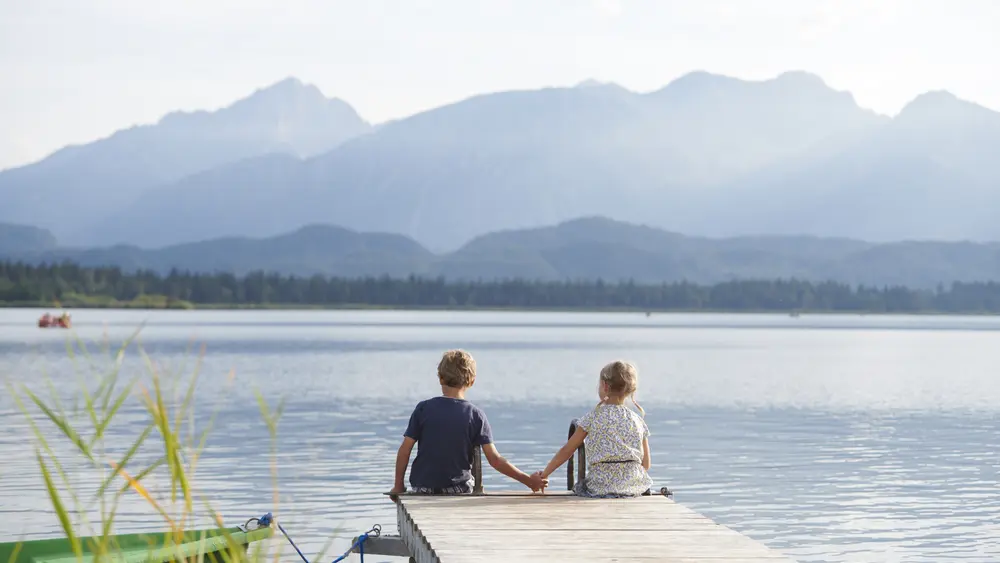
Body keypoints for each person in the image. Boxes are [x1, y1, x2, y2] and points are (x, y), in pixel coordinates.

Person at [390, 349, 547, 495]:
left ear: (440, 378)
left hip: (422, 488)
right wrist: (529, 481)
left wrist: (398, 486)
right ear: (471, 381)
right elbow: (495, 460)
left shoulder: (423, 409)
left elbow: (405, 450)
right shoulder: (475, 415)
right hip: (457, 489)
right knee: (470, 482)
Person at [534, 360, 653, 497]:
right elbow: (646, 464)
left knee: (580, 485)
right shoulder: (638, 420)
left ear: (604, 386)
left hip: (599, 487)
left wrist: (544, 474)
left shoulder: (592, 417)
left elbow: (568, 450)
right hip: (634, 486)